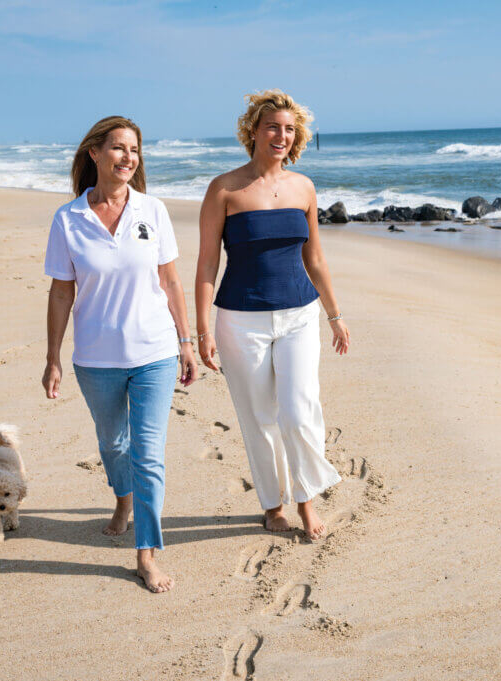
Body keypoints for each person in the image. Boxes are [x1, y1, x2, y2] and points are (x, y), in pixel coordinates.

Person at [43, 116, 198, 593]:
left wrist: (186, 343)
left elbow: (170, 281)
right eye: (118, 148)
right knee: (113, 444)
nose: (128, 157)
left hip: (154, 352)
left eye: (134, 150)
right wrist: (52, 358)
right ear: (95, 153)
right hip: (95, 358)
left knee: (149, 453)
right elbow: (60, 292)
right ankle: (123, 498)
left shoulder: (153, 210)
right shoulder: (68, 219)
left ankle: (146, 553)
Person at [195, 90, 349, 541]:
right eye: (273, 127)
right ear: (254, 131)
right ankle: (273, 504)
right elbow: (207, 263)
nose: (281, 135)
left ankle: (307, 501)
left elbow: (315, 258)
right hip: (240, 320)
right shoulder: (224, 189)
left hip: (300, 314)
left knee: (300, 411)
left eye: (289, 129)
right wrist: (201, 328)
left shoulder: (304, 187)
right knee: (259, 417)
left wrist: (334, 314)